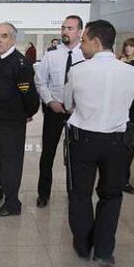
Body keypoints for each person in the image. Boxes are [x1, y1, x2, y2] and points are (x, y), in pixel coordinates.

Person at [64, 20, 134, 267]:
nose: (81, 44)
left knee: (80, 194)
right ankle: (104, 250)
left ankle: (83, 245)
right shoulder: (131, 72)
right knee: (111, 195)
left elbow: (66, 104)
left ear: (96, 42)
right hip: (118, 142)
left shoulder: (77, 70)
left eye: (84, 40)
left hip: (83, 141)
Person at [0, 22, 40, 217]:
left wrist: (24, 115)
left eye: (3, 36)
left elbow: (30, 98)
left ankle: (12, 203)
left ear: (13, 39)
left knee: (10, 164)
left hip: (12, 125)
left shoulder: (20, 64)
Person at [35, 15, 85, 208]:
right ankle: (43, 194)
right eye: (63, 27)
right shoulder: (52, 54)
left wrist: (78, 105)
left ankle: (74, 193)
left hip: (78, 113)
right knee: (47, 153)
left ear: (80, 32)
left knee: (77, 156)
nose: (65, 31)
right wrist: (50, 101)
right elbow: (40, 81)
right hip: (54, 111)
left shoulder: (86, 55)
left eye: (70, 28)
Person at [120, 37, 134, 193]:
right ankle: (122, 180)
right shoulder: (119, 63)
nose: (128, 49)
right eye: (127, 46)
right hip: (124, 111)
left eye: (131, 46)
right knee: (127, 147)